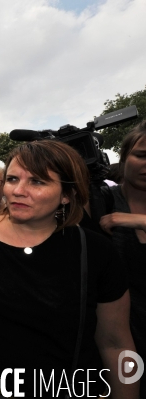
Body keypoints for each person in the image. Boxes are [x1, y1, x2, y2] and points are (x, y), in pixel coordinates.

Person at [0, 141, 137, 398]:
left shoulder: (95, 250)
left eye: (37, 182)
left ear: (66, 194)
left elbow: (115, 344)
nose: (18, 191)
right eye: (12, 179)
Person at [98, 122, 146, 398]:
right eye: (142, 155)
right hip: (116, 339)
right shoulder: (101, 201)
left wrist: (138, 220)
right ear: (125, 156)